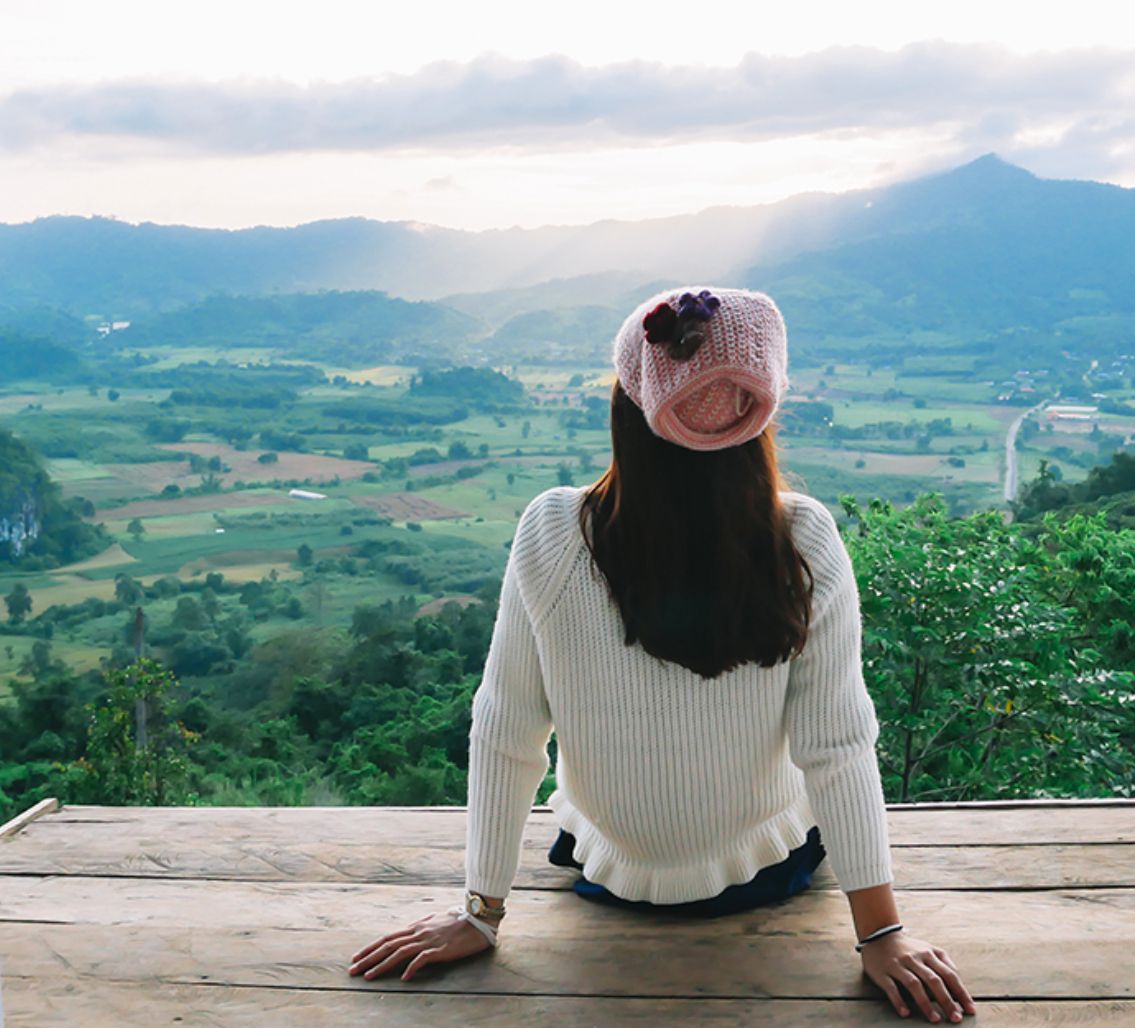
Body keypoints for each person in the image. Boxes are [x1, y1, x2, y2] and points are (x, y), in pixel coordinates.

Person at [349, 287, 976, 1023]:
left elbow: (506, 730)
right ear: (758, 417)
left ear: (627, 406)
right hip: (768, 871)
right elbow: (835, 746)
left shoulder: (553, 530)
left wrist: (480, 912)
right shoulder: (801, 540)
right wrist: (881, 935)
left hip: (603, 872)